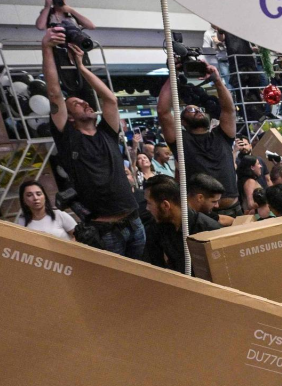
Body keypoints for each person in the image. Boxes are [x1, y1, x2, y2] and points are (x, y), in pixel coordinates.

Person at [43, 27, 143, 258]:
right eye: (77, 104)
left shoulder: (107, 132)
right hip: (105, 229)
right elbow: (54, 93)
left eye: (85, 102)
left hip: (134, 221)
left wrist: (81, 67)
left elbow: (110, 99)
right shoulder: (68, 138)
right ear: (69, 117)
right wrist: (46, 48)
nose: (86, 104)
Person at [157, 63, 241, 211]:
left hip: (234, 208)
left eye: (199, 109)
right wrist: (173, 74)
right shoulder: (181, 141)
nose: (198, 111)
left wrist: (217, 80)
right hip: (203, 214)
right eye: (190, 110)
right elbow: (163, 112)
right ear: (182, 121)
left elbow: (229, 110)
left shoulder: (222, 135)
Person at [142, 175, 222, 275]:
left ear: (165, 205)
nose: (147, 208)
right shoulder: (157, 226)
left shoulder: (208, 229)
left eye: (149, 203)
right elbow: (152, 264)